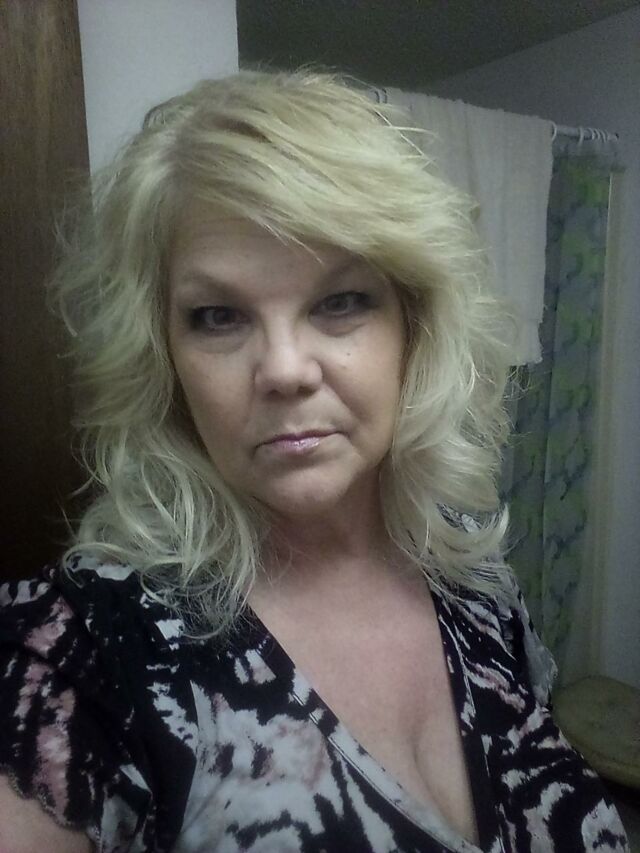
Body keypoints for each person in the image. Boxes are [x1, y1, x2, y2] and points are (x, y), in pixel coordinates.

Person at [0, 69, 628, 853]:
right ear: (163, 355)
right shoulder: (81, 658)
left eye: (340, 301)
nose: (285, 369)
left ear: (413, 328)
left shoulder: (478, 583)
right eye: (218, 315)